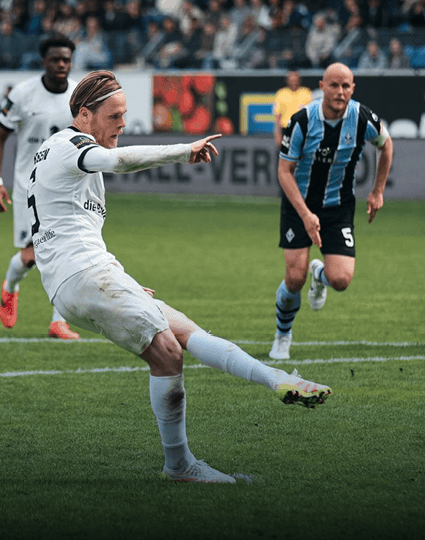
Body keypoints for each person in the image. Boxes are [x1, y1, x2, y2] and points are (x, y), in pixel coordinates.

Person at [28, 70, 332, 483]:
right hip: (84, 275)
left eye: (125, 114)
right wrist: (183, 150)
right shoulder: (70, 144)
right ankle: (180, 466)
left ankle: (278, 379)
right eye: (114, 116)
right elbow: (118, 162)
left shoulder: (59, 153)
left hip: (79, 279)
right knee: (168, 354)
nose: (123, 124)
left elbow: (69, 232)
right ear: (83, 114)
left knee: (187, 333)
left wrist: (119, 280)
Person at [271, 62, 394, 360]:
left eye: (346, 86)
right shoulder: (301, 120)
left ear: (353, 88)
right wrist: (305, 214)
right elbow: (284, 172)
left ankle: (320, 274)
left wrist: (378, 191)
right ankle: (282, 336)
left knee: (341, 280)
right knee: (294, 279)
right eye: (334, 85)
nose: (340, 92)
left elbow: (386, 145)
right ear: (322, 86)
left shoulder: (362, 117)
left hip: (338, 207)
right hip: (298, 205)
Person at [0, 34, 82, 339]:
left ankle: (59, 321)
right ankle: (10, 285)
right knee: (32, 257)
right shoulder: (23, 94)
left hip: (67, 188)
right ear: (43, 61)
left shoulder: (80, 96)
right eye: (55, 59)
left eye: (66, 60)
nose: (61, 65)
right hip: (28, 189)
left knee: (69, 254)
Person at [272, 70, 311, 148]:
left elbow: (311, 114)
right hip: (286, 129)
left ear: (299, 81)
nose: (294, 82)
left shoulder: (306, 93)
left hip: (301, 129)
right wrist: (278, 134)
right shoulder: (281, 94)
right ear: (287, 81)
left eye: (295, 80)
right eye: (291, 80)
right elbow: (277, 116)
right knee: (286, 155)